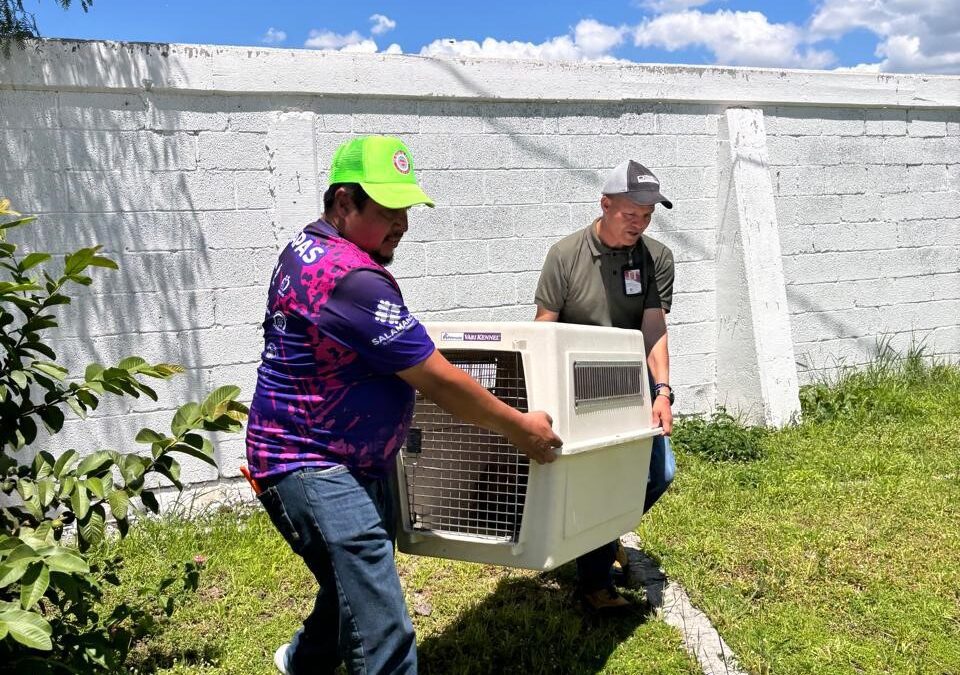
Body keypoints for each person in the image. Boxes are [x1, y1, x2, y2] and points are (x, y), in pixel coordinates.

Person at [245, 135, 563, 675]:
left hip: (334, 456)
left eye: (406, 209)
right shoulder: (350, 278)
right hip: (309, 462)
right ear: (344, 202)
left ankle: (303, 661)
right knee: (382, 624)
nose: (403, 224)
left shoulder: (307, 246)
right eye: (389, 209)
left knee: (353, 581)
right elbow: (435, 378)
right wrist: (519, 428)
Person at [533, 159, 677, 612]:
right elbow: (542, 331)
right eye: (630, 213)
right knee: (589, 482)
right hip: (575, 395)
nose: (639, 222)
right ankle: (595, 584)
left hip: (631, 391)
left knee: (658, 474)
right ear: (605, 203)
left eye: (648, 214)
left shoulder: (657, 258)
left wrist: (663, 392)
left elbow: (654, 328)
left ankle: (601, 536)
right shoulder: (565, 255)